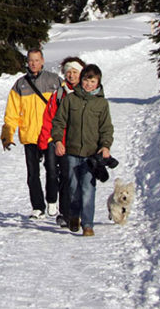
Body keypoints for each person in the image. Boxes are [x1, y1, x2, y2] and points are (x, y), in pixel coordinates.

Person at [51, 63, 114, 237]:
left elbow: (106, 128)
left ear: (98, 82)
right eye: (86, 80)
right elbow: (58, 122)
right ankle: (74, 215)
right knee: (73, 188)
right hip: (71, 152)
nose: (89, 85)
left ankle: (87, 224)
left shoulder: (102, 104)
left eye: (93, 81)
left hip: (91, 155)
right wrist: (58, 141)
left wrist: (105, 146)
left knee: (88, 188)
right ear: (82, 80)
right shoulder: (71, 99)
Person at [1, 48, 62, 218]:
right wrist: (7, 134)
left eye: (36, 60)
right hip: (29, 135)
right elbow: (12, 112)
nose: (33, 64)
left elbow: (65, 105)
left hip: (49, 134)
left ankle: (51, 199)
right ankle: (37, 206)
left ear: (42, 61)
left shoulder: (54, 81)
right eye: (30, 60)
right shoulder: (20, 84)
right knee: (32, 173)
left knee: (52, 169)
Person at [37, 56, 85, 228]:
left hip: (80, 143)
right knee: (64, 176)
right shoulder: (58, 94)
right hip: (60, 142)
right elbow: (48, 118)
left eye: (75, 72)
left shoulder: (86, 93)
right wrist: (44, 143)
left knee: (76, 179)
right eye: (68, 72)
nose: (71, 76)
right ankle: (65, 213)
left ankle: (81, 213)